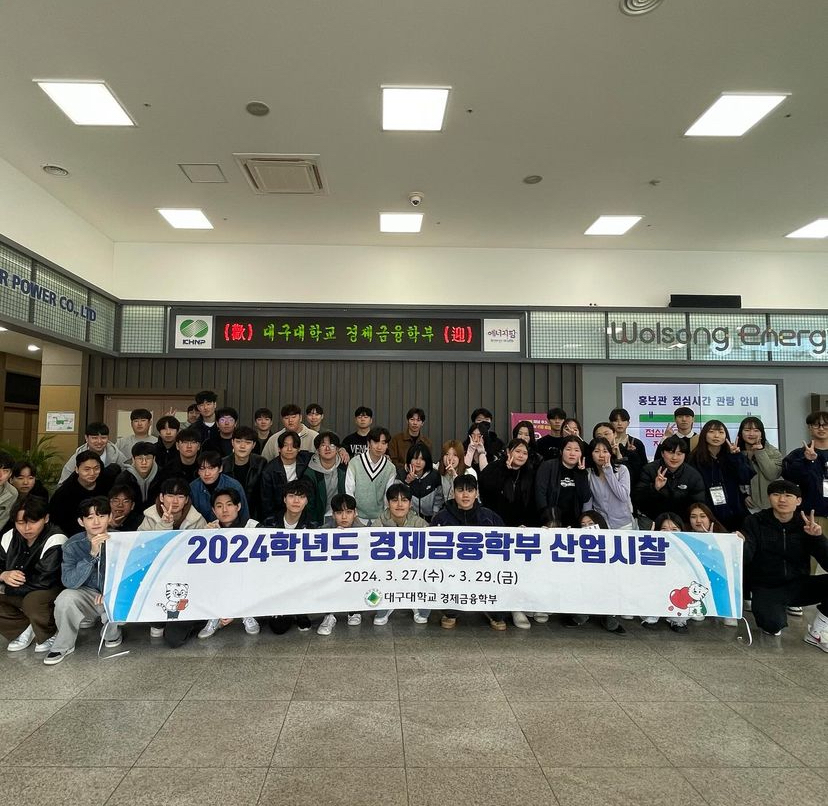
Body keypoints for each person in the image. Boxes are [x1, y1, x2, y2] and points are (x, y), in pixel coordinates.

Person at [741, 479, 828, 650]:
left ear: (798, 501)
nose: (782, 500)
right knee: (772, 626)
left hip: (799, 584)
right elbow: (746, 558)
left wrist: (818, 538)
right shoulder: (755, 521)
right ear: (769, 498)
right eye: (776, 494)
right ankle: (773, 612)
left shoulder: (806, 524)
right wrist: (741, 544)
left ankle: (818, 631)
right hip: (767, 587)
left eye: (788, 496)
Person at [44, 496, 122, 664]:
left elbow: (132, 575)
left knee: (117, 602)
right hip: (88, 594)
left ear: (110, 517)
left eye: (101, 516)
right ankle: (63, 645)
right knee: (65, 598)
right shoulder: (73, 545)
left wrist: (111, 592)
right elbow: (69, 582)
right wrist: (92, 554)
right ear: (81, 521)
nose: (96, 522)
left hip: (115, 592)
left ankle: (112, 633)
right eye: (90, 517)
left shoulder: (123, 541)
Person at [138, 478, 208, 648]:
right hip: (158, 579)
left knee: (173, 640)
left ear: (187, 499)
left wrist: (210, 534)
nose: (175, 501)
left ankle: (197, 620)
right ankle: (158, 621)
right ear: (162, 497)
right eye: (170, 495)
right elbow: (142, 550)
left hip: (188, 584)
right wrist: (164, 525)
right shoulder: (149, 517)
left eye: (180, 496)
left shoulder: (197, 520)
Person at [432, 475, 507, 630]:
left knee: (499, 608)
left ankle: (492, 612)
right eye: (460, 490)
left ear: (476, 493)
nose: (465, 495)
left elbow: (507, 540)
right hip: (452, 571)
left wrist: (523, 533)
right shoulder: (441, 518)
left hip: (485, 571)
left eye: (470, 490)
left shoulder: (489, 516)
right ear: (453, 493)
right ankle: (451, 612)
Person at [0, 496, 67, 654]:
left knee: (33, 601)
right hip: (18, 587)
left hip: (50, 588)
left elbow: (44, 580)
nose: (26, 528)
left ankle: (48, 632)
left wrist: (6, 588)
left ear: (46, 518)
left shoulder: (57, 538)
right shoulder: (9, 536)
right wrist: (3, 575)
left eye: (33, 522)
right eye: (20, 523)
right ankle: (22, 629)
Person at [197, 488, 262, 639]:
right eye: (219, 506)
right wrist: (205, 535)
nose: (225, 510)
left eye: (229, 504)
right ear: (213, 510)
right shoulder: (210, 529)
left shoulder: (253, 526)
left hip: (247, 577)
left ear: (238, 506)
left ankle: (247, 612)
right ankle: (214, 615)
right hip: (220, 580)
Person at [371, 483, 431, 626]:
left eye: (404, 500)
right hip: (386, 572)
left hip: (413, 572)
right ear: (388, 503)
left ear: (410, 504)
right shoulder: (378, 523)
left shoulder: (420, 524)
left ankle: (416, 603)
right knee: (375, 606)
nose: (399, 504)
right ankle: (383, 606)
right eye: (394, 500)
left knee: (430, 576)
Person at [268, 479, 318, 635]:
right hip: (276, 579)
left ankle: (300, 611)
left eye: (301, 497)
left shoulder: (313, 525)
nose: (296, 501)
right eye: (291, 496)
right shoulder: (270, 523)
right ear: (284, 499)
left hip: (302, 578)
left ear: (307, 501)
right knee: (278, 628)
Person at [688, 420, 755, 531]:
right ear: (704, 435)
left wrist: (736, 457)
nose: (716, 436)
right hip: (708, 513)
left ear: (726, 435)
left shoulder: (732, 456)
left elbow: (745, 477)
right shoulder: (694, 458)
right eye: (711, 432)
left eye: (721, 432)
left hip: (734, 512)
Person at [317, 493, 368, 635]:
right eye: (339, 513)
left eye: (349, 512)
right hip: (332, 574)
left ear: (355, 513)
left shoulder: (365, 531)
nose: (344, 517)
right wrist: (332, 538)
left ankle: (355, 610)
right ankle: (329, 614)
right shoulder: (323, 531)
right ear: (333, 515)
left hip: (355, 573)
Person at [632, 435, 706, 526]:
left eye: (679, 454)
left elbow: (698, 503)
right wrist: (654, 488)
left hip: (681, 522)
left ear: (685, 455)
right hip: (651, 518)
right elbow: (638, 499)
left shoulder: (693, 475)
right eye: (671, 452)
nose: (674, 457)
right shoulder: (649, 470)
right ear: (662, 453)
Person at [641, 513, 690, 633]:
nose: (669, 533)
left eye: (674, 529)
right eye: (664, 529)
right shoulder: (650, 547)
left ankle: (678, 620)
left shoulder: (688, 547)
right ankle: (651, 616)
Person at [782, 410, 828, 541]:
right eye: (816, 425)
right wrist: (806, 461)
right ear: (809, 428)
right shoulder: (798, 454)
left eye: (825, 425)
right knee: (814, 552)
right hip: (812, 515)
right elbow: (789, 477)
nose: (821, 428)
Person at [49, 451, 116, 538]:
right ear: (77, 469)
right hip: (75, 535)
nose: (92, 473)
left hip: (106, 530)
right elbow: (57, 522)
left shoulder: (107, 483)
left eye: (96, 468)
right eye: (87, 469)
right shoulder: (64, 493)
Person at [534, 435, 591, 528]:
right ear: (561, 451)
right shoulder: (548, 466)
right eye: (568, 449)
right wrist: (548, 519)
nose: (572, 453)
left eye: (577, 450)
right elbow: (540, 493)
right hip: (550, 521)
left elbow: (585, 497)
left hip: (573, 522)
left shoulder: (581, 472)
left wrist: (581, 474)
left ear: (581, 454)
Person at [345, 427, 397, 522]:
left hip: (380, 518)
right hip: (357, 517)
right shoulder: (354, 463)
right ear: (369, 443)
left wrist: (385, 518)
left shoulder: (390, 468)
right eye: (376, 442)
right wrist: (353, 514)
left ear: (387, 445)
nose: (379, 447)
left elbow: (388, 495)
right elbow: (349, 491)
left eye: (383, 443)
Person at [260, 430, 313, 524]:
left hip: (303, 514)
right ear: (279, 449)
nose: (289, 449)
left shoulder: (305, 459)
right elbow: (266, 502)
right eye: (285, 445)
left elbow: (322, 456)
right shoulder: (269, 471)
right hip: (278, 515)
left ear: (298, 449)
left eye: (293, 445)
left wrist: (340, 451)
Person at [585, 436, 634, 529]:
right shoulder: (589, 474)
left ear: (610, 453)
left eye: (605, 451)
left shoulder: (622, 470)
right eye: (596, 451)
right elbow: (587, 502)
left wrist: (609, 472)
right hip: (601, 525)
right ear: (591, 454)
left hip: (624, 525)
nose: (601, 455)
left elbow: (623, 496)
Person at [737, 417, 782, 514]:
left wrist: (760, 452)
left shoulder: (772, 452)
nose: (751, 434)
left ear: (762, 433)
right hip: (741, 506)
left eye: (756, 430)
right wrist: (743, 496)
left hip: (766, 507)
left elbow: (772, 474)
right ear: (741, 433)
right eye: (747, 430)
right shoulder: (736, 452)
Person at [58, 422, 128, 484]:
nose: (99, 441)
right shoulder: (78, 456)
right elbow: (63, 483)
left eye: (103, 438)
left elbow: (128, 476)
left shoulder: (116, 454)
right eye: (94, 438)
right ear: (86, 438)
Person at [189, 451, 249, 523]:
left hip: (231, 528)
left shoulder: (234, 486)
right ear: (198, 471)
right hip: (202, 528)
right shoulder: (193, 488)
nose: (207, 473)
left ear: (220, 468)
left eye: (211, 468)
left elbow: (244, 515)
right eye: (202, 469)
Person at [222, 425, 266, 520]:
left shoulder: (261, 463)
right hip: (228, 514)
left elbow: (263, 496)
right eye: (238, 442)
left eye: (248, 443)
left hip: (254, 515)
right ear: (232, 442)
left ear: (253, 445)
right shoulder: (223, 464)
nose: (242, 446)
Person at [306, 431, 347, 524]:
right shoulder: (310, 473)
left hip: (342, 518)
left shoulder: (344, 468)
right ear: (318, 450)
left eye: (332, 445)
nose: (327, 448)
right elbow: (309, 505)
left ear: (337, 449)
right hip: (318, 520)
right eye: (323, 445)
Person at [396, 443, 444, 522]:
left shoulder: (434, 475)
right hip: (407, 520)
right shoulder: (401, 474)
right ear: (409, 459)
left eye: (422, 459)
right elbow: (396, 498)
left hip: (430, 519)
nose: (418, 462)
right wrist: (407, 482)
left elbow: (439, 497)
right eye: (415, 458)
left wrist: (435, 514)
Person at [609, 408, 648, 486]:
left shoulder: (637, 443)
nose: (620, 423)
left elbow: (644, 467)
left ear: (628, 423)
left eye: (623, 420)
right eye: (616, 420)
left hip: (633, 485)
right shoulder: (607, 443)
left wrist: (632, 454)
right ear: (610, 423)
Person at [114, 441, 158, 508]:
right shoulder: (123, 479)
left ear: (154, 459)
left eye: (148, 458)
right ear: (133, 459)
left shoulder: (162, 476)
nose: (144, 462)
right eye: (140, 458)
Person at [437, 439, 476, 504]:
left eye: (455, 455)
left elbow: (468, 496)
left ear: (460, 457)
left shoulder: (469, 472)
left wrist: (454, 476)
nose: (450, 458)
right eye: (447, 454)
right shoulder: (440, 469)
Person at [0, 452, 19, 527]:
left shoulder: (12, 493)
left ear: (10, 474)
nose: (0, 475)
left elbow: (2, 520)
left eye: (5, 471)